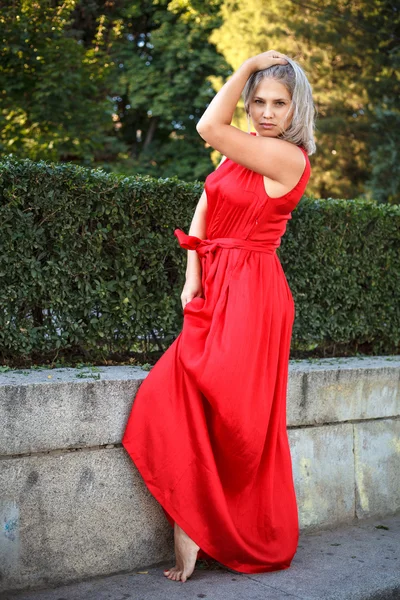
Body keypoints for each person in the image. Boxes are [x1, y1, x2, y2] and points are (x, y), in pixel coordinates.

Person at [122, 49, 316, 583]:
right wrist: (193, 278)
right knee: (173, 393)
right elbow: (206, 204)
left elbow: (209, 124)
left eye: (279, 102)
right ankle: (192, 525)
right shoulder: (244, 151)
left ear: (297, 109)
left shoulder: (288, 158)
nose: (267, 112)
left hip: (254, 293)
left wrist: (247, 64)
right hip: (217, 286)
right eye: (257, 101)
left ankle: (209, 531)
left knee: (237, 420)